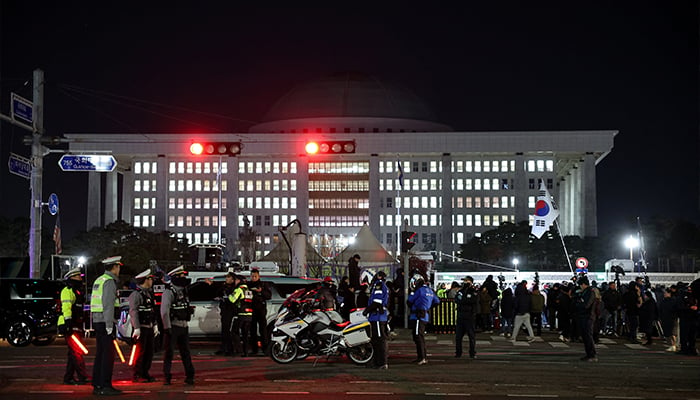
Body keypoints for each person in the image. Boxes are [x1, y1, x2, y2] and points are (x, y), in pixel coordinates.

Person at [90, 256, 123, 396]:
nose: (119, 269)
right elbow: (108, 305)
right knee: (108, 356)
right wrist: (110, 325)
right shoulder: (109, 282)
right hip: (105, 322)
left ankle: (97, 383)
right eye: (118, 267)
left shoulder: (99, 280)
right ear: (114, 267)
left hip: (98, 322)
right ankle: (105, 385)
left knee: (100, 354)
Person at [161, 267, 195, 385]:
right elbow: (164, 311)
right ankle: (167, 376)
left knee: (186, 352)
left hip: (183, 326)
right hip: (173, 326)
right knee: (169, 353)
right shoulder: (169, 292)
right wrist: (167, 327)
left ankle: (190, 375)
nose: (183, 278)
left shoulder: (183, 291)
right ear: (175, 277)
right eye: (181, 276)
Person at [59, 266, 90, 385]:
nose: (80, 278)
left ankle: (68, 378)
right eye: (77, 276)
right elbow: (66, 308)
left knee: (73, 353)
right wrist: (68, 324)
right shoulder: (67, 291)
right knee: (77, 351)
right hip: (70, 325)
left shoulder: (77, 291)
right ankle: (82, 376)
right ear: (71, 278)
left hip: (76, 324)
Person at [128, 268, 158, 382]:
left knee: (149, 353)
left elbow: (152, 310)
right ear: (146, 280)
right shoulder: (136, 294)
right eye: (150, 279)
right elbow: (133, 311)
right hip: (141, 328)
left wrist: (155, 325)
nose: (152, 281)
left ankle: (145, 373)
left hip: (149, 327)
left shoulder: (149, 293)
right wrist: (136, 328)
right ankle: (138, 373)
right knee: (140, 353)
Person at [407, 274, 440, 365]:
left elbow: (409, 301)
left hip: (417, 316)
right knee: (419, 336)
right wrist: (427, 308)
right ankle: (421, 357)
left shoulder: (419, 291)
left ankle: (422, 357)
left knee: (418, 337)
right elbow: (437, 301)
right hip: (424, 315)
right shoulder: (430, 290)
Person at [364, 271, 389, 369]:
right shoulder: (381, 286)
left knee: (379, 340)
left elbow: (377, 301)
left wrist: (367, 311)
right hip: (378, 316)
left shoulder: (378, 285)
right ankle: (377, 361)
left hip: (377, 317)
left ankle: (381, 362)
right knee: (376, 340)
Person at [247, 268, 271, 355]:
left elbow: (269, 296)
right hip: (251, 310)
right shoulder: (248, 285)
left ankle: (265, 349)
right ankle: (254, 350)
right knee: (252, 331)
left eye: (255, 276)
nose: (253, 278)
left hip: (261, 310)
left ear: (258, 276)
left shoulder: (263, 285)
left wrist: (261, 292)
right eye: (252, 276)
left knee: (263, 331)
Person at [229, 276, 254, 357]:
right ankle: (246, 352)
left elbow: (232, 299)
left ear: (239, 281)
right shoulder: (248, 290)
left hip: (241, 314)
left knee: (234, 332)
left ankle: (238, 350)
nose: (235, 282)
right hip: (249, 315)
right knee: (245, 334)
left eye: (236, 280)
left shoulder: (239, 290)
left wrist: (229, 295)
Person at [215, 272, 238, 356]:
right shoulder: (224, 287)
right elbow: (218, 293)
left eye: (228, 278)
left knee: (227, 331)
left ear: (232, 280)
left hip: (230, 311)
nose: (226, 279)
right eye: (226, 277)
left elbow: (232, 299)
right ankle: (223, 348)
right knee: (224, 330)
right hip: (224, 310)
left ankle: (230, 349)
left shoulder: (234, 288)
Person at [454, 276, 477, 359]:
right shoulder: (461, 291)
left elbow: (472, 301)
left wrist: (463, 300)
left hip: (469, 317)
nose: (464, 283)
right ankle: (458, 353)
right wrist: (464, 300)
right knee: (458, 337)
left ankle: (472, 353)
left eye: (466, 281)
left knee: (471, 336)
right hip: (461, 316)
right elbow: (457, 300)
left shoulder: (473, 292)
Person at [575, 276, 597, 361]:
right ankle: (589, 354)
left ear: (584, 284)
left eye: (581, 285)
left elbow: (586, 305)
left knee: (588, 336)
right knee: (585, 336)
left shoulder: (589, 292)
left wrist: (579, 303)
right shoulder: (585, 292)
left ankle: (592, 354)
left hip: (588, 316)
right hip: (584, 316)